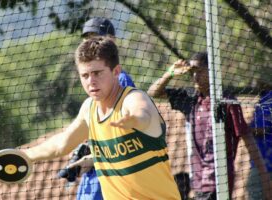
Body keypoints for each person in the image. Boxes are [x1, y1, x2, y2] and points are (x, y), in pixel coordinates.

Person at [20, 36, 181, 199]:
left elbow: (143, 113)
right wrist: (25, 155)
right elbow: (62, 144)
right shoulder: (89, 108)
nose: (91, 81)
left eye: (97, 73)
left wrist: (133, 120)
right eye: (85, 75)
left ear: (116, 71)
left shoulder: (132, 99)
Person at [147, 52, 271, 199]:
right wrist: (170, 73)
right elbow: (153, 93)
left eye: (199, 71)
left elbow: (247, 137)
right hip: (198, 183)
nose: (195, 76)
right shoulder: (190, 98)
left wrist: (264, 177)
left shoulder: (227, 101)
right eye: (192, 72)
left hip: (220, 181)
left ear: (211, 71)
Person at [62, 17, 136, 200]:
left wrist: (93, 154)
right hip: (95, 172)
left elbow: (121, 130)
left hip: (109, 172)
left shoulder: (119, 79)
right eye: (87, 38)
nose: (91, 42)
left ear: (112, 41)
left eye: (97, 37)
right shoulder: (94, 80)